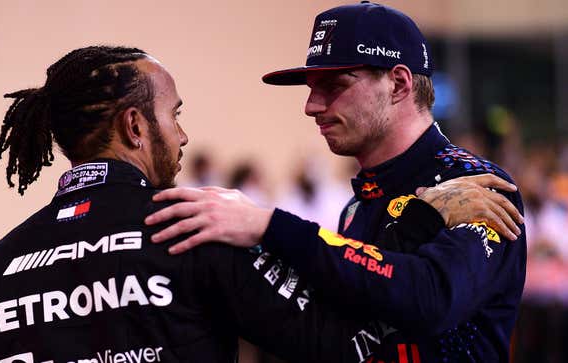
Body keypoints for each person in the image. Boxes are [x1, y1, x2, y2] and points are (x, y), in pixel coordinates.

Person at [0, 45, 514, 363]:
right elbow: (349, 342)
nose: (181, 137)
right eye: (174, 114)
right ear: (134, 126)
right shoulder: (190, 228)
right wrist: (422, 219)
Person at [145, 2, 527, 362]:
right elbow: (344, 318)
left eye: (334, 85)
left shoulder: (476, 184)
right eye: (312, 87)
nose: (311, 105)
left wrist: (268, 224)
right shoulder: (359, 202)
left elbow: (430, 299)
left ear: (398, 84)